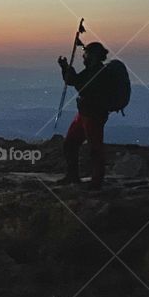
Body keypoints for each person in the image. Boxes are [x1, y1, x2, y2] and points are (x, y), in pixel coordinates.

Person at [57, 42, 110, 189]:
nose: (83, 57)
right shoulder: (94, 70)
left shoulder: (97, 72)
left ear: (92, 55)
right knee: (71, 143)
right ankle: (73, 176)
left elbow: (77, 82)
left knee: (94, 148)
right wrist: (66, 68)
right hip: (85, 114)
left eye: (85, 54)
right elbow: (75, 81)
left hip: (93, 115)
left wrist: (66, 68)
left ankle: (96, 182)